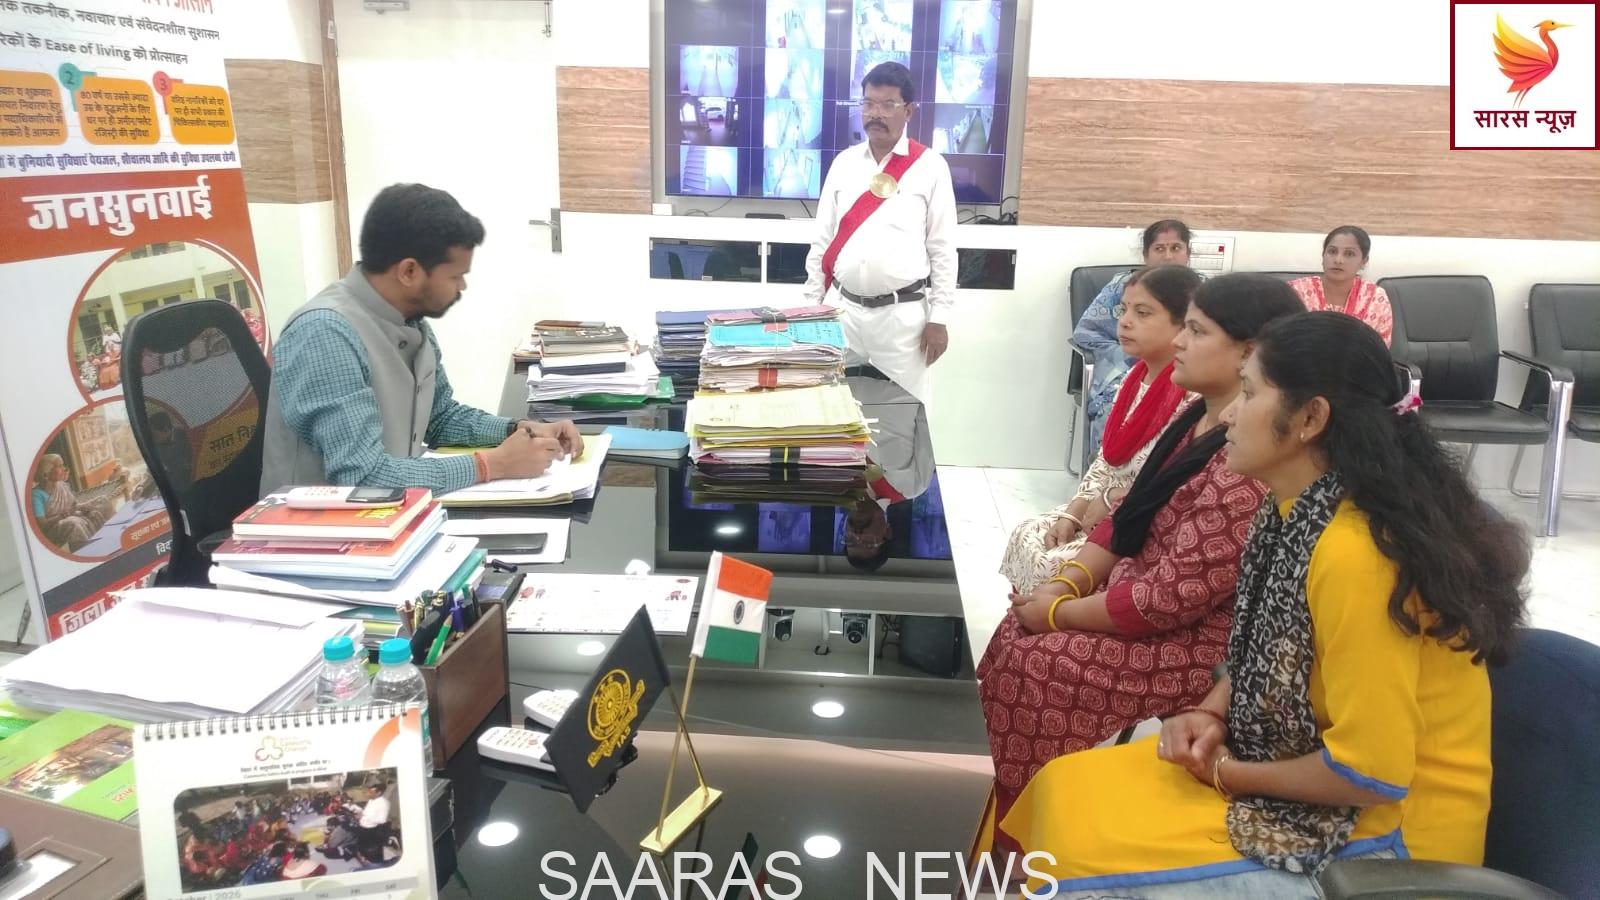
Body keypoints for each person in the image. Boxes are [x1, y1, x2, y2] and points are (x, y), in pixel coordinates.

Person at [999, 313, 1530, 898]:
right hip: (1308, 775)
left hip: (1389, 845)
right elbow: (1270, 648)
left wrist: (1227, 773)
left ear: (1310, 419)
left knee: (1083, 862)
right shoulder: (1294, 510)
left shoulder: (1357, 556)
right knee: (1067, 787)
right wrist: (1210, 712)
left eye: (1249, 393)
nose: (1229, 414)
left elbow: (1371, 772)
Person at [977, 274, 1304, 847]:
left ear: (1248, 353)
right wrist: (1065, 585)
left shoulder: (1245, 464)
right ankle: (997, 806)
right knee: (1013, 631)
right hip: (1143, 599)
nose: (1178, 341)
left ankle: (1027, 837)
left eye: (1195, 331)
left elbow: (1168, 600)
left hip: (1195, 638)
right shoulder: (1197, 418)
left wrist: (1056, 615)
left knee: (1038, 664)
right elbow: (1129, 513)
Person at [260, 184, 581, 496]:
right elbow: (364, 476)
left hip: (391, 516)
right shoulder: (325, 333)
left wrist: (520, 430)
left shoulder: (408, 319)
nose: (462, 286)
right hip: (322, 527)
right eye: (455, 276)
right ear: (409, 272)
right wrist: (491, 465)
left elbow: (439, 418)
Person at [1000, 265, 1201, 593]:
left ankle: (1050, 617)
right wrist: (1073, 513)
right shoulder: (1131, 380)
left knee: (1051, 563)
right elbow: (1107, 459)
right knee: (1028, 535)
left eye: (1142, 313)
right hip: (1103, 509)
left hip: (1141, 523)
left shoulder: (1190, 397)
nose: (1125, 321)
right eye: (1124, 310)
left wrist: (1109, 502)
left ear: (1183, 325)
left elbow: (1169, 487)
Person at [804, 62, 956, 405]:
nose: (876, 114)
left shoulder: (931, 167)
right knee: (833, 413)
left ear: (908, 111)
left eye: (888, 105)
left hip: (902, 322)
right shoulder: (844, 163)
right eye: (869, 103)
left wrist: (940, 318)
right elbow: (822, 240)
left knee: (903, 416)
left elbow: (943, 249)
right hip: (842, 313)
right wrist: (812, 307)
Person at [1074, 219, 1195, 453]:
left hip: (1183, 369)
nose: (1168, 256)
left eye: (1176, 248)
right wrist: (1133, 355)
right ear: (1146, 255)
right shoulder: (1123, 286)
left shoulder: (1202, 291)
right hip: (1123, 369)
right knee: (1114, 413)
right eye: (1159, 249)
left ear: (1188, 253)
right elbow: (1086, 332)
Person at [1288, 225, 1394, 344]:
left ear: (1364, 261)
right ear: (1323, 256)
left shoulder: (1375, 297)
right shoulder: (1295, 291)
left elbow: (1380, 348)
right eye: (1332, 251)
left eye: (1349, 254)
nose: (1338, 260)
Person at [32, 453, 115, 551]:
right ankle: (90, 551)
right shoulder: (36, 495)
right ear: (46, 474)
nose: (64, 469)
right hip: (53, 528)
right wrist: (62, 515)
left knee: (102, 500)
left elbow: (74, 505)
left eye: (63, 465)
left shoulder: (61, 485)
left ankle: (113, 536)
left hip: (70, 515)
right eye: (59, 466)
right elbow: (42, 525)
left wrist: (83, 507)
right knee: (74, 523)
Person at [349, 781, 393, 865]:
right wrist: (360, 813)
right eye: (369, 791)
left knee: (373, 851)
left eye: (371, 792)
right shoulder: (371, 800)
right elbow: (366, 812)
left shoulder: (384, 803)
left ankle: (376, 865)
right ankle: (365, 862)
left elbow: (382, 820)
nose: (368, 794)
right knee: (362, 848)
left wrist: (364, 817)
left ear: (379, 793)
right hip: (362, 828)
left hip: (372, 831)